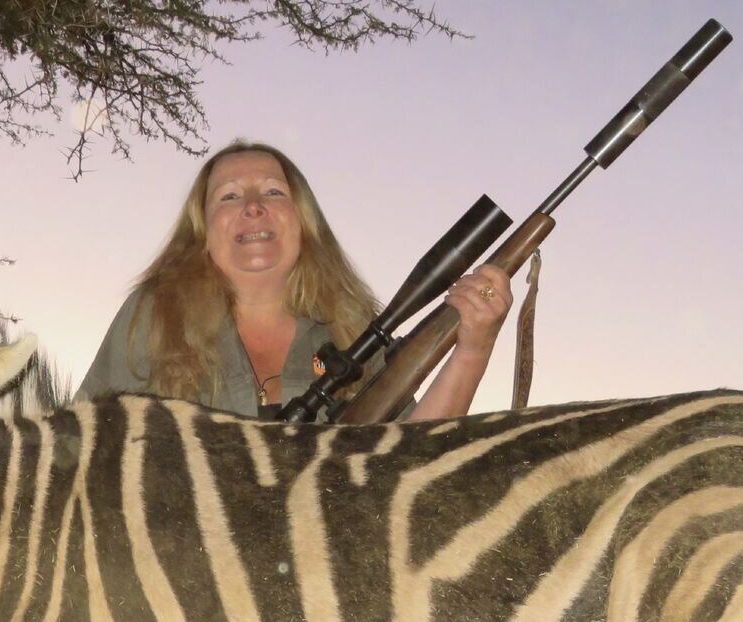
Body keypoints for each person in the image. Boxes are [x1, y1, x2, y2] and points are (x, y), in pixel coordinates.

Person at [75, 140, 512, 420]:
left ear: (303, 222)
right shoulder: (154, 314)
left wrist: (473, 347)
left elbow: (413, 456)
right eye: (229, 196)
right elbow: (75, 448)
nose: (252, 207)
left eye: (272, 192)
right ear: (202, 232)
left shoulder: (353, 328)